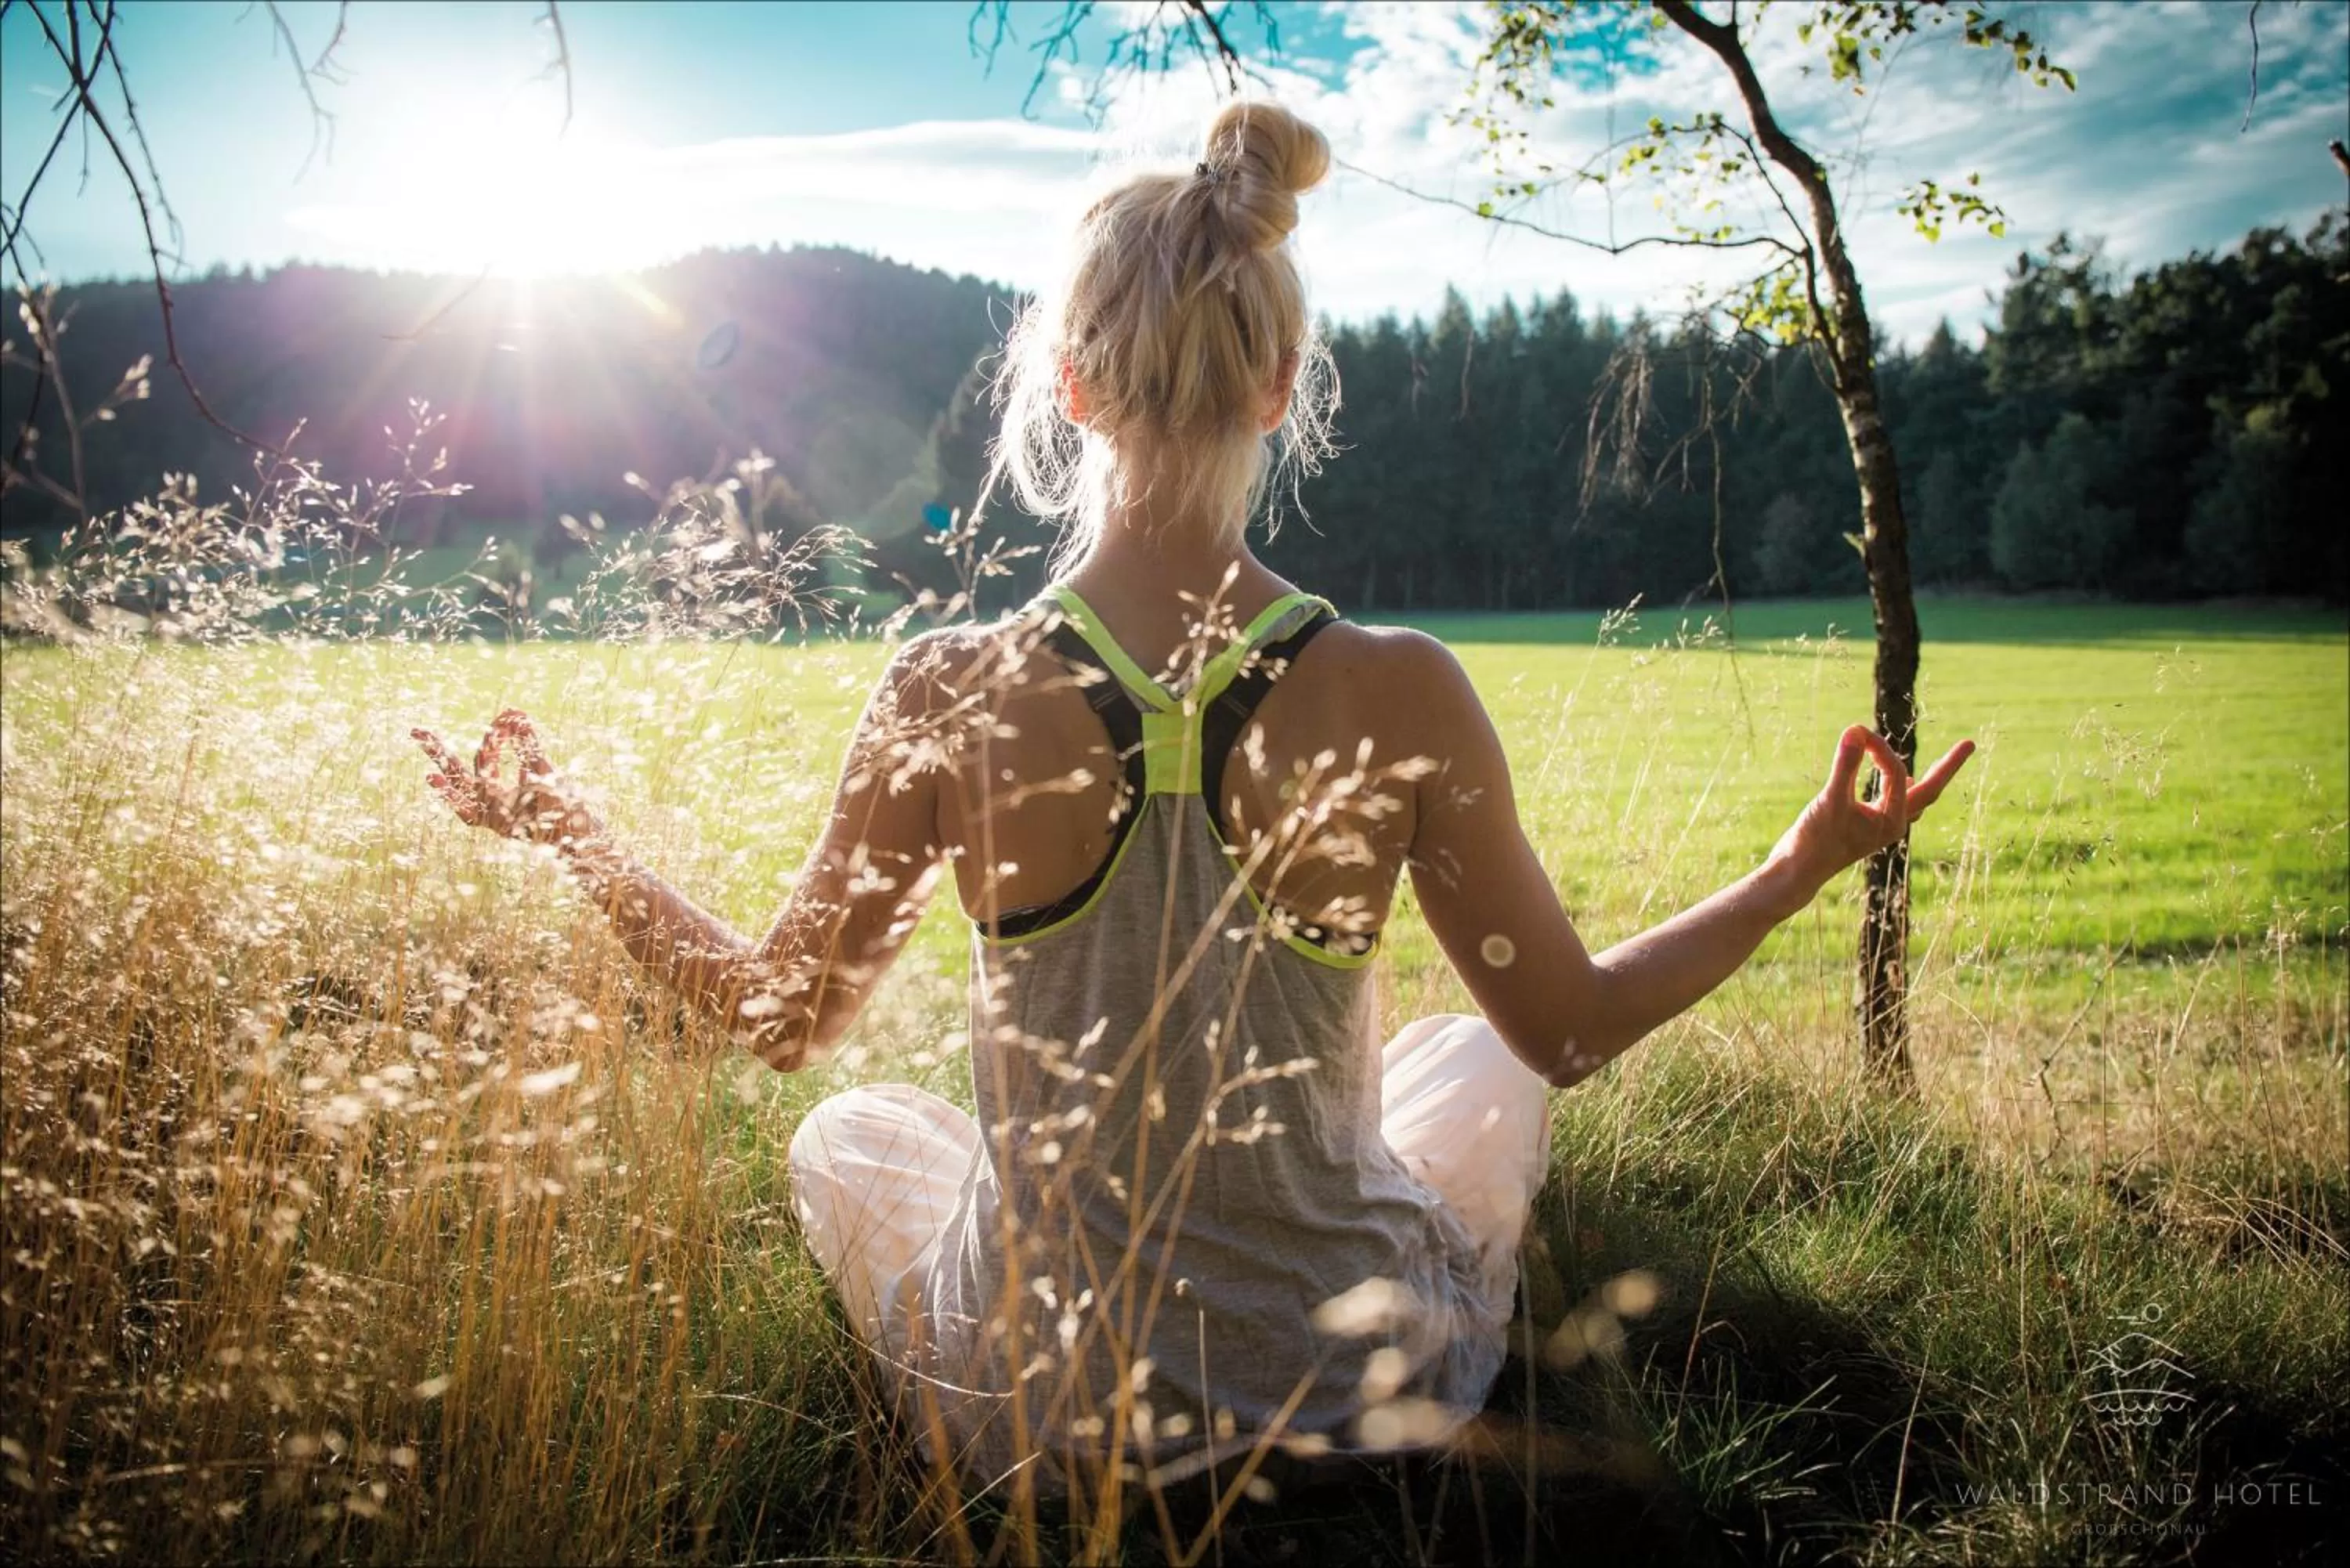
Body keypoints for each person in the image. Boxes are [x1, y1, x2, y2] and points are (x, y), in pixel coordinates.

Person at [411, 102, 1972, 1495]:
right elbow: (1566, 1024)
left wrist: (568, 827)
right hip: (1363, 1380)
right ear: (1282, 382)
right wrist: (1797, 861)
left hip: (1042, 1403)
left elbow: (774, 1009)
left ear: (1072, 387)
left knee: (847, 1126)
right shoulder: (1405, 682)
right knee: (1480, 1061)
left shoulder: (944, 687)